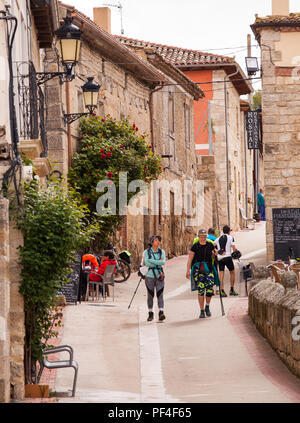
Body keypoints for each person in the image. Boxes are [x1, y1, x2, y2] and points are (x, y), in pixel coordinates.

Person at [186, 229, 217, 319]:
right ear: (198, 237)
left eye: (204, 237)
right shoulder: (195, 246)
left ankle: (207, 306)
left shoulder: (210, 245)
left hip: (209, 269)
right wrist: (188, 270)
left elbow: (214, 255)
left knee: (210, 289)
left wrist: (215, 254)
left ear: (206, 237)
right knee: (201, 290)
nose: (203, 238)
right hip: (198, 270)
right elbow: (190, 258)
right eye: (201, 236)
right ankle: (202, 310)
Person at [143, 235, 166, 322]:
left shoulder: (162, 251)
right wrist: (158, 262)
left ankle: (161, 312)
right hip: (149, 276)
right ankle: (150, 313)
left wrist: (152, 260)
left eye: (159, 240)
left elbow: (163, 262)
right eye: (156, 240)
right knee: (150, 295)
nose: (158, 242)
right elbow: (147, 264)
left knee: (160, 294)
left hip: (160, 275)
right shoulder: (147, 252)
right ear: (152, 242)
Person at [215, 225, 238, 297]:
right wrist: (237, 252)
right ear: (229, 231)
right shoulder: (231, 237)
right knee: (232, 272)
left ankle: (221, 290)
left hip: (220, 258)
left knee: (221, 273)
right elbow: (234, 248)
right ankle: (231, 289)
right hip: (228, 257)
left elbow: (213, 246)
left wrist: (218, 252)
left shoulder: (217, 239)